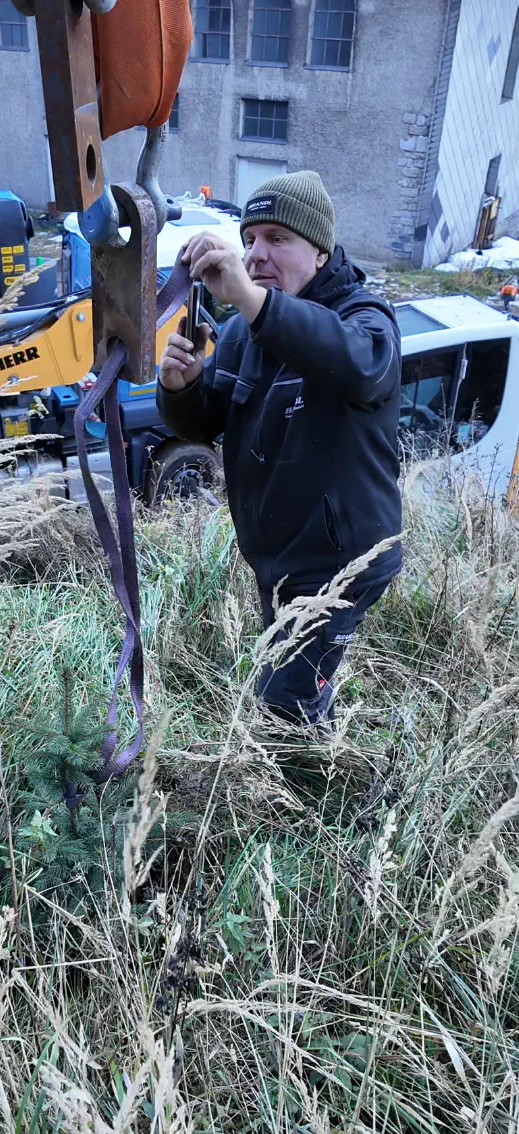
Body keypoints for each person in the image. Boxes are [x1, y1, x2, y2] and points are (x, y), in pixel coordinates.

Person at [157, 171, 402, 727]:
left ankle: (310, 796)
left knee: (281, 704)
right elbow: (202, 424)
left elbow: (360, 366)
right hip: (280, 558)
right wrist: (181, 386)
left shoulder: (365, 319)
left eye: (277, 239)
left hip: (340, 560)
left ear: (319, 251)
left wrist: (250, 299)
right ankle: (324, 733)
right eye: (250, 240)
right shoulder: (247, 331)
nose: (257, 254)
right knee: (290, 675)